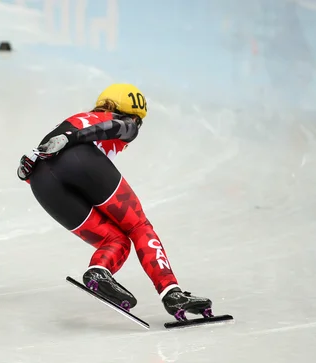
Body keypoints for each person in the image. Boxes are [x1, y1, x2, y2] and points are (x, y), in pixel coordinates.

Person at [16, 83, 212, 319]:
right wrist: (75, 138)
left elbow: (39, 155)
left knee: (115, 239)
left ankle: (98, 272)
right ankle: (172, 293)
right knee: (138, 226)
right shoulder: (116, 121)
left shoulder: (75, 118)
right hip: (79, 158)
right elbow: (117, 126)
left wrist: (26, 172)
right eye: (138, 120)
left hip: (41, 182)